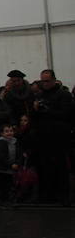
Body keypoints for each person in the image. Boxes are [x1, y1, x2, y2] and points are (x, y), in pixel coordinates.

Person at [31, 69, 73, 204]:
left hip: (58, 136)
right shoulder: (39, 95)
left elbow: (66, 114)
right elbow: (34, 117)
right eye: (43, 81)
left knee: (60, 167)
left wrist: (47, 109)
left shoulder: (64, 95)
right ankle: (47, 194)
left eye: (47, 81)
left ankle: (63, 195)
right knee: (44, 167)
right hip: (42, 137)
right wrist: (36, 110)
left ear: (54, 80)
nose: (45, 84)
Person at [0, 124, 22, 204]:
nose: (9, 133)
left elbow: (19, 154)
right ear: (2, 133)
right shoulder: (1, 142)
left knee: (10, 186)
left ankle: (9, 200)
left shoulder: (15, 141)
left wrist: (17, 163)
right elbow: (1, 157)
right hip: (2, 169)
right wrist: (10, 164)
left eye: (11, 131)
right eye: (6, 131)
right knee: (2, 186)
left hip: (12, 169)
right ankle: (1, 201)